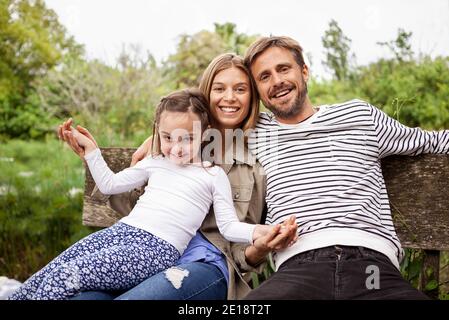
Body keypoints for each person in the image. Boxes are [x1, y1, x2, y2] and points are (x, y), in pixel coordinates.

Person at [57, 53, 298, 300]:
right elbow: (127, 205)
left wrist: (258, 246)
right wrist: (156, 142)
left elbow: (238, 236)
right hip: (149, 251)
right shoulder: (174, 146)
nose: (229, 97)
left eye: (240, 89)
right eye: (219, 88)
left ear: (252, 96)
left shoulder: (257, 156)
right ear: (207, 93)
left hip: (206, 261)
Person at [9, 88, 279, 300]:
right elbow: (110, 185)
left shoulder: (211, 175)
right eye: (167, 137)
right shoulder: (155, 162)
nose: (176, 147)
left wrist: (259, 232)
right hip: (119, 233)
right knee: (55, 267)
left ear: (205, 134)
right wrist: (92, 152)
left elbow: (229, 226)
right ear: (158, 133)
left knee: (70, 275)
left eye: (186, 138)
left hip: (155, 249)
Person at [242, 36, 449, 299]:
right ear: (258, 91)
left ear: (304, 71)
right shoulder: (254, 134)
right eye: (264, 77)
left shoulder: (359, 116)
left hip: (372, 269)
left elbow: (432, 142)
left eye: (284, 69)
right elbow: (192, 134)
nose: (277, 81)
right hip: (298, 270)